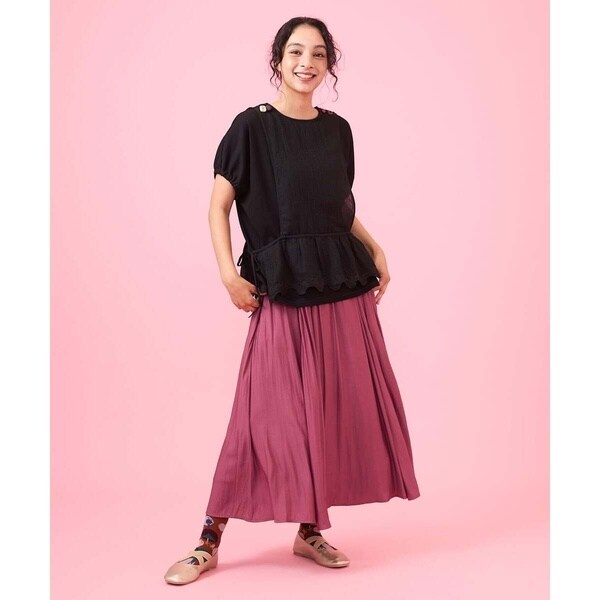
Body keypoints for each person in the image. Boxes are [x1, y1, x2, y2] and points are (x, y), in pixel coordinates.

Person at [164, 16, 421, 585]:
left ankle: (310, 531)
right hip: (281, 285)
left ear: (330, 65)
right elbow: (218, 206)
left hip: (341, 284)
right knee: (261, 415)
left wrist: (376, 249)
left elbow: (338, 209)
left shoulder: (338, 130)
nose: (308, 63)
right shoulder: (251, 127)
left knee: (325, 410)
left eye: (319, 54)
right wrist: (227, 275)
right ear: (278, 59)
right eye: (297, 52)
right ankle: (208, 540)